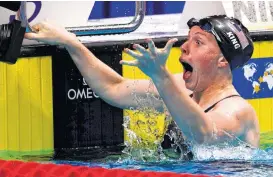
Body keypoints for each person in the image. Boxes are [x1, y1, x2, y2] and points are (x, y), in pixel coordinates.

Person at [25, 15, 260, 155]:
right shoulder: (181, 89)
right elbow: (113, 89)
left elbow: (203, 134)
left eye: (198, 42)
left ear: (222, 61)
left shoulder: (238, 112)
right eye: (188, 39)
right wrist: (70, 42)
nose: (185, 47)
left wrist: (161, 76)